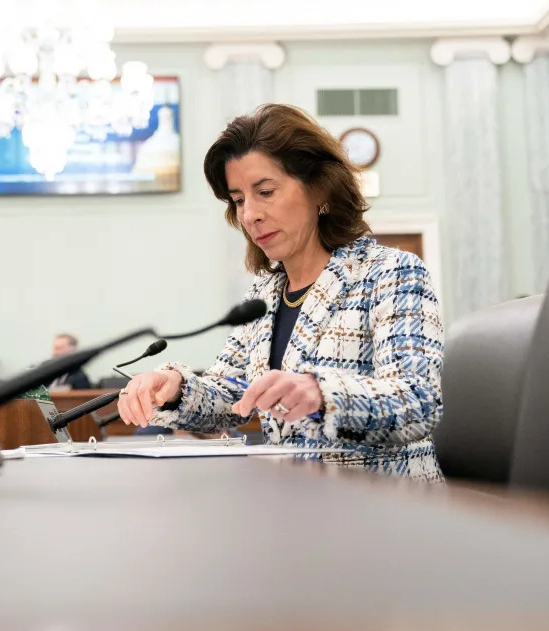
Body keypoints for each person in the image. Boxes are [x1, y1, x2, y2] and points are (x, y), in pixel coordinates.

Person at [117, 104, 444, 481]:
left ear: (319, 188)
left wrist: (321, 394)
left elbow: (419, 403)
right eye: (239, 200)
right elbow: (232, 394)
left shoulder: (389, 273)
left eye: (265, 192)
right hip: (294, 506)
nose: (250, 215)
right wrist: (175, 389)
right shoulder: (265, 295)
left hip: (388, 510)